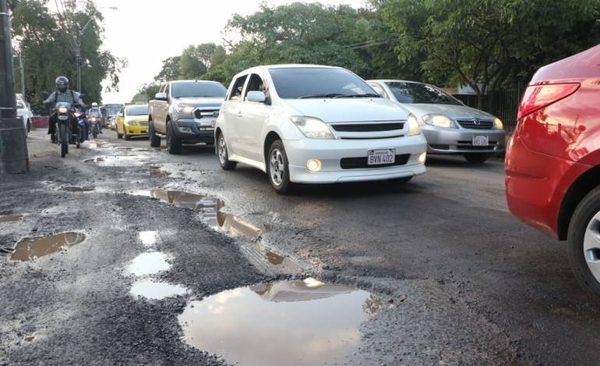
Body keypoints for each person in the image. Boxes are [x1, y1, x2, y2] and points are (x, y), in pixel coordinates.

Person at [44, 76, 84, 142]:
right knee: (51, 118)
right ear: (57, 86)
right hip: (58, 111)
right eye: (60, 85)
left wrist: (81, 103)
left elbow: (78, 99)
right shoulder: (55, 94)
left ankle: (74, 135)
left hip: (69, 111)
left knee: (75, 119)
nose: (62, 87)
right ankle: (52, 134)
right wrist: (46, 101)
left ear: (67, 85)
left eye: (63, 85)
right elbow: (49, 99)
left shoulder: (72, 93)